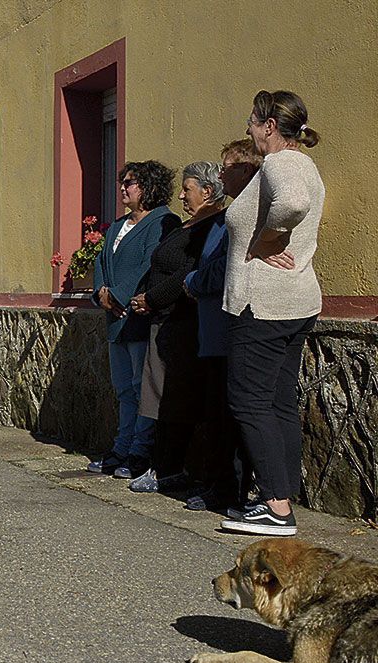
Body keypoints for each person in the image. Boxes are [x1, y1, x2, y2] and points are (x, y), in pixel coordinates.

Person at [219, 90, 324, 537]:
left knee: (249, 400)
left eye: (251, 121)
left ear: (268, 126)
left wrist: (267, 240)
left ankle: (276, 508)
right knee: (278, 400)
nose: (247, 128)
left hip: (263, 303)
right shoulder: (303, 164)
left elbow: (292, 204)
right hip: (294, 301)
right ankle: (282, 495)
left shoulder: (282, 163)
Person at [127, 162, 221, 493]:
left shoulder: (208, 229)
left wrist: (151, 298)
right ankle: (162, 465)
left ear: (207, 192)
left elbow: (187, 272)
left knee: (172, 398)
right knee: (159, 396)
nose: (181, 194)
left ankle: (168, 469)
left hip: (180, 321)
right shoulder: (190, 225)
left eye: (188, 188)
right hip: (164, 320)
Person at [181, 140, 263, 512]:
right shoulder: (227, 216)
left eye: (227, 167)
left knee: (230, 416)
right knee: (216, 415)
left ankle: (233, 491)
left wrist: (193, 283)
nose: (221, 174)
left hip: (230, 330)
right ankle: (219, 486)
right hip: (212, 331)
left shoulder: (246, 214)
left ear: (246, 171)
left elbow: (226, 266)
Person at [87, 161, 180, 479]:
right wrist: (101, 291)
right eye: (122, 182)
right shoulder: (117, 226)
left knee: (143, 391)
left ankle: (140, 451)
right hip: (116, 320)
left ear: (149, 186)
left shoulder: (163, 222)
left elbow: (149, 264)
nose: (123, 188)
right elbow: (101, 259)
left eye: (131, 182)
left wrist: (121, 295)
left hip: (139, 317)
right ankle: (121, 447)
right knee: (123, 389)